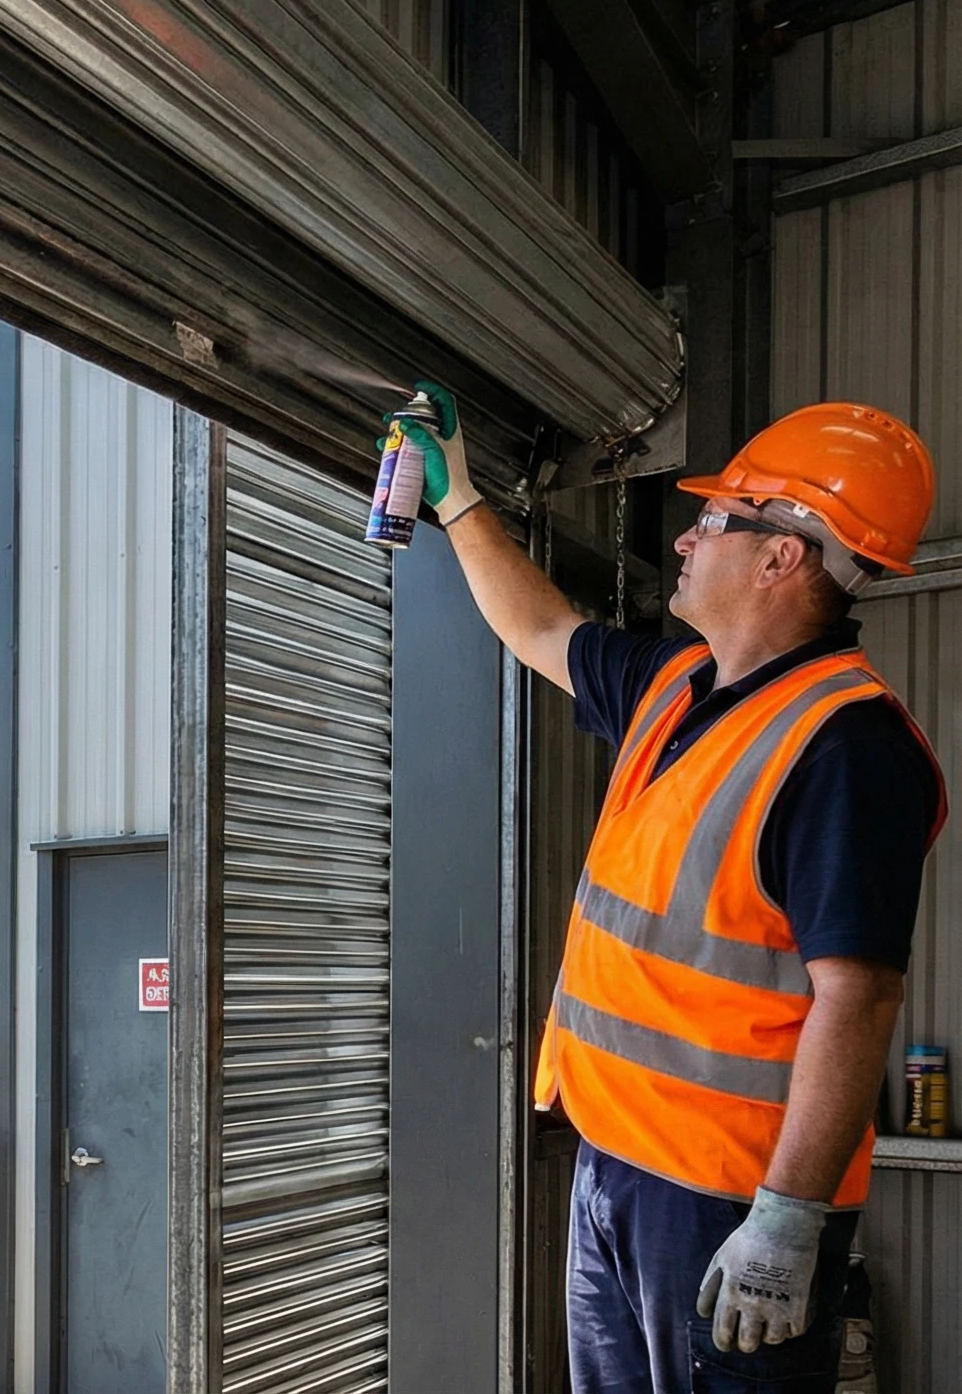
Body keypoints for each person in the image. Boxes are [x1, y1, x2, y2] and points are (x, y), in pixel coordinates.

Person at [394, 386, 944, 1394]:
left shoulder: (847, 751)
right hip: (614, 1165)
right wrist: (458, 500)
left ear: (781, 556)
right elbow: (540, 630)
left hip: (726, 1202)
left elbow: (856, 999)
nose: (687, 541)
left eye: (715, 521)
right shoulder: (674, 689)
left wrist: (788, 1219)